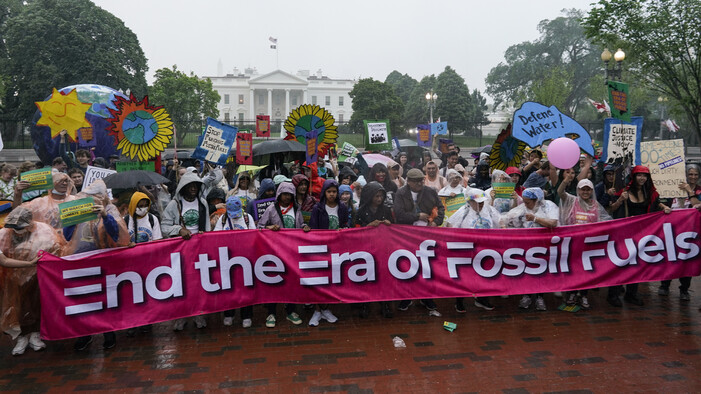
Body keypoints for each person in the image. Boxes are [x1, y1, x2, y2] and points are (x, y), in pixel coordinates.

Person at [62, 180, 130, 351]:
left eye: (97, 198)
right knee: (83, 300)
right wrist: (71, 218)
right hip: (82, 260)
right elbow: (68, 236)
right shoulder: (78, 209)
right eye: (90, 197)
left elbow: (117, 235)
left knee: (105, 300)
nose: (93, 201)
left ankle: (108, 333)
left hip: (105, 261)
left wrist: (105, 217)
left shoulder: (110, 211)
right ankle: (84, 334)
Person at [162, 165, 222, 330]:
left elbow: (207, 228)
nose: (194, 188)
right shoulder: (175, 205)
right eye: (190, 186)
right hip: (181, 251)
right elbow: (165, 225)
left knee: (198, 283)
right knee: (180, 284)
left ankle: (199, 315)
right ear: (183, 187)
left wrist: (207, 240)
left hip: (199, 249)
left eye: (196, 186)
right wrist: (179, 230)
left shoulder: (202, 202)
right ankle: (181, 317)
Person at [0, 207, 63, 356]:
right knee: (17, 306)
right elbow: (3, 260)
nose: (16, 230)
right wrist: (28, 264)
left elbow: (56, 247)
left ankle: (35, 334)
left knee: (36, 303)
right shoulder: (3, 234)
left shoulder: (44, 231)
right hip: (12, 277)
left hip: (38, 275)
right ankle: (21, 337)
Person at [607, 165, 672, 307]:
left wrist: (664, 207)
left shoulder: (649, 192)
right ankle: (613, 294)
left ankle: (632, 293)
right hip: (624, 234)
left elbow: (656, 202)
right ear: (634, 177)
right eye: (639, 175)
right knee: (620, 264)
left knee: (637, 265)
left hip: (641, 236)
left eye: (645, 176)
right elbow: (611, 209)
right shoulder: (624, 191)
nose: (642, 178)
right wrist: (619, 200)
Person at [393, 168, 445, 315]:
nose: (420, 183)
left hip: (427, 236)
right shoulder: (401, 193)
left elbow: (441, 210)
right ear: (408, 181)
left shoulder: (431, 192)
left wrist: (436, 222)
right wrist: (416, 216)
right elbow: (399, 214)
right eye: (416, 181)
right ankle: (407, 296)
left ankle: (426, 297)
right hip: (407, 236)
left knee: (427, 267)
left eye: (421, 180)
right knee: (407, 266)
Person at [257, 181, 308, 326]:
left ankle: (290, 311)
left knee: (291, 282)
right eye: (284, 194)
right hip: (275, 252)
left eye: (289, 194)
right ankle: (271, 313)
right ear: (279, 194)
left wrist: (304, 227)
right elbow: (259, 227)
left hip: (292, 252)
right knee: (274, 282)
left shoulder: (296, 209)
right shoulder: (271, 209)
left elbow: (300, 224)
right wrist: (269, 227)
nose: (286, 197)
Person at [501, 187, 559, 311]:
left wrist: (535, 218)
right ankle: (526, 295)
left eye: (528, 202)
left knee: (541, 272)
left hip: (545, 246)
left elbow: (553, 223)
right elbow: (506, 219)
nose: (525, 204)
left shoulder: (549, 206)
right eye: (524, 201)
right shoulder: (523, 208)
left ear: (536, 200)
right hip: (526, 247)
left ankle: (540, 297)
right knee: (526, 271)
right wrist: (503, 224)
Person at [558, 176, 612, 309]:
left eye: (588, 190)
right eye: (583, 190)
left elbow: (605, 220)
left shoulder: (595, 205)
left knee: (586, 271)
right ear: (578, 190)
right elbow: (560, 192)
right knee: (573, 270)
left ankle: (583, 295)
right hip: (573, 244)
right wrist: (566, 180)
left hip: (589, 245)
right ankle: (571, 293)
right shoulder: (572, 201)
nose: (586, 192)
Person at [447, 189, 502, 312]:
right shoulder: (464, 211)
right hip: (466, 251)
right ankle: (459, 301)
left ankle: (482, 299)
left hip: (485, 251)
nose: (481, 204)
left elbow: (501, 223)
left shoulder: (489, 210)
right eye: (478, 202)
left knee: (485, 276)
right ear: (470, 201)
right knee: (463, 277)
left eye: (482, 202)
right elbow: (450, 226)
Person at [308, 179, 349, 326]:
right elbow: (314, 228)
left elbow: (345, 223)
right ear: (324, 193)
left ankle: (326, 309)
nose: (332, 194)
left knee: (331, 280)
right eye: (329, 191)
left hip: (337, 249)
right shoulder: (318, 208)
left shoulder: (342, 207)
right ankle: (317, 310)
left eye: (334, 192)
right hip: (321, 249)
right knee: (319, 280)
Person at [214, 197, 257, 328]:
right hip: (227, 258)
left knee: (246, 287)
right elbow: (214, 237)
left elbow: (254, 236)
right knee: (228, 286)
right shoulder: (222, 220)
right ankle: (229, 313)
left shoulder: (247, 218)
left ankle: (246, 315)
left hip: (245, 258)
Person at [659, 164, 700, 301]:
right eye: (690, 174)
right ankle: (665, 285)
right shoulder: (673, 187)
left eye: (695, 174)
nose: (693, 177)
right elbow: (661, 202)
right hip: (672, 230)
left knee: (687, 260)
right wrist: (664, 207)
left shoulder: (699, 191)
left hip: (690, 233)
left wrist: (690, 191)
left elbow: (696, 206)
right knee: (669, 257)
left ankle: (684, 289)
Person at [13, 172, 77, 231]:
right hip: (47, 240)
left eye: (66, 181)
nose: (64, 183)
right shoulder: (39, 202)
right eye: (60, 181)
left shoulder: (75, 200)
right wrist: (17, 194)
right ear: (51, 183)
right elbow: (18, 214)